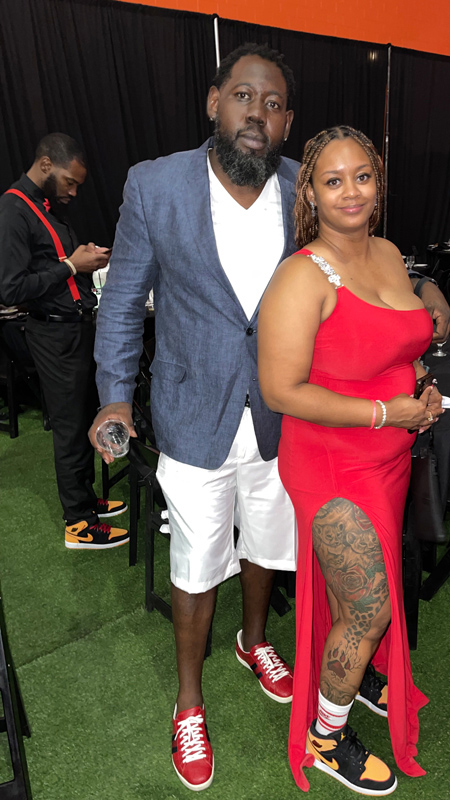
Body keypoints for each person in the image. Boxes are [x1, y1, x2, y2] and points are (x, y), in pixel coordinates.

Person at [90, 43, 300, 792]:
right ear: (214, 102)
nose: (257, 113)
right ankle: (188, 701)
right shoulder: (155, 185)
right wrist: (115, 393)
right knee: (197, 560)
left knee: (268, 540)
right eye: (244, 96)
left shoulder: (304, 187)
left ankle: (253, 640)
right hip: (190, 408)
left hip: (280, 409)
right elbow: (123, 300)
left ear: (287, 123)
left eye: (273, 104)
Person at [258, 125, 443, 796]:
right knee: (369, 607)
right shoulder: (301, 275)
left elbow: (395, 346)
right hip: (332, 463)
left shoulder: (388, 253)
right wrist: (386, 414)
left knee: (353, 599)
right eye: (332, 181)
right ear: (310, 192)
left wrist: (420, 387)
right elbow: (282, 391)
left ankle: (357, 677)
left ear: (378, 181)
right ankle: (326, 736)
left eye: (361, 176)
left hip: (390, 457)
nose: (350, 192)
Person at [0, 133, 128, 548]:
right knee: (70, 427)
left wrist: (80, 259)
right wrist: (72, 265)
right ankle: (78, 522)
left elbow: (50, 266)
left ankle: (86, 500)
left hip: (74, 328)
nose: (73, 192)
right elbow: (10, 289)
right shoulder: (13, 210)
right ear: (45, 165)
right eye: (69, 182)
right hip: (53, 334)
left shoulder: (42, 208)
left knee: (82, 419)